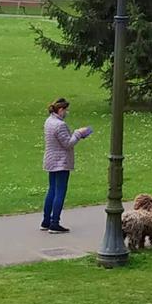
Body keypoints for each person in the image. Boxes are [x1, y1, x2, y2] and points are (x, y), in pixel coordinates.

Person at [42, 98, 92, 233]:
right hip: (61, 162)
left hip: (51, 160)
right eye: (66, 110)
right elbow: (68, 144)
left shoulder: (49, 121)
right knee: (60, 192)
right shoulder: (60, 125)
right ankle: (54, 223)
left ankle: (46, 221)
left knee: (52, 190)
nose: (67, 113)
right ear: (61, 110)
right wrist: (79, 133)